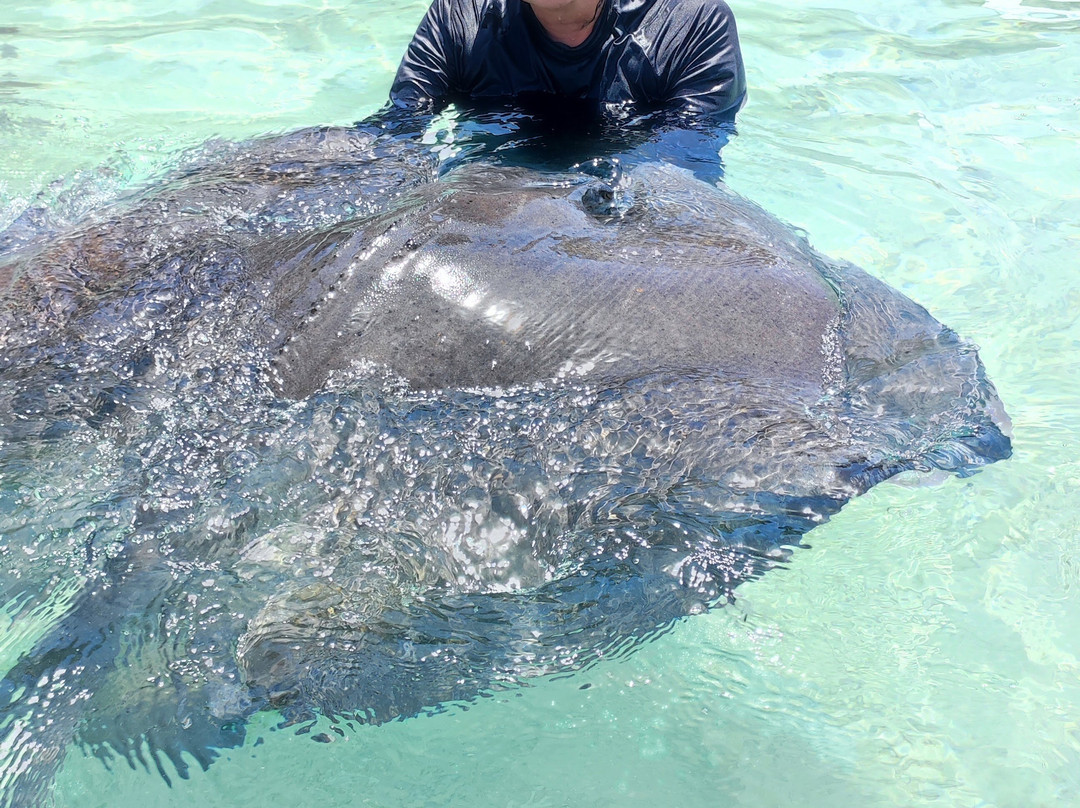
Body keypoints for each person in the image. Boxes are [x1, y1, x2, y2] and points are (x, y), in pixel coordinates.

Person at [389, 0, 747, 124]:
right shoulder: (461, 16)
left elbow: (682, 177)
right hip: (487, 209)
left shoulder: (689, 25)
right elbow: (398, 130)